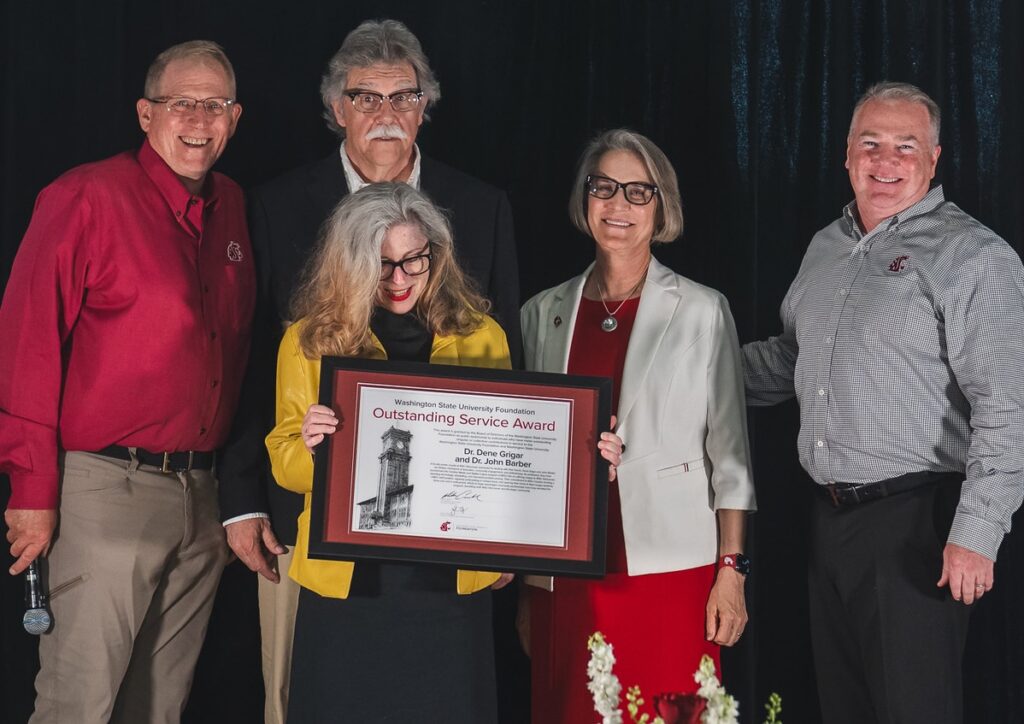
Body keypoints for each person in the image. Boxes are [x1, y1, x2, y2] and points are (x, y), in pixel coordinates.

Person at [215, 19, 521, 722]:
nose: (386, 114)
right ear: (337, 109)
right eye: (366, 97)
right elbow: (249, 359)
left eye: (403, 97)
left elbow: (513, 397)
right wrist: (244, 496)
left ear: (425, 107)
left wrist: (517, 528)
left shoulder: (483, 207)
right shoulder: (277, 205)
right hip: (316, 535)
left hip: (453, 547)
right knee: (300, 696)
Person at [742, 81, 1024, 724]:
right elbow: (792, 359)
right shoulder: (826, 246)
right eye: (871, 144)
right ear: (847, 154)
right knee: (845, 709)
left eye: (905, 146)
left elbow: (1007, 407)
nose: (885, 160)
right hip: (828, 522)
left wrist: (978, 533)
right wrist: (688, 371)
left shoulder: (973, 256)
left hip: (917, 527)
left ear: (935, 157)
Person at [0, 41, 251, 723]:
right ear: (146, 114)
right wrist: (31, 488)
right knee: (79, 706)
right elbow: (26, 342)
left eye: (215, 106)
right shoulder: (85, 196)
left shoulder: (230, 206)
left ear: (234, 118)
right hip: (105, 490)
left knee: (157, 710)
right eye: (181, 104)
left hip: (199, 497)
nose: (198, 119)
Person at [520, 129, 756, 723]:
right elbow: (524, 456)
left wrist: (732, 571)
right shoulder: (540, 313)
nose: (618, 205)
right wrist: (528, 580)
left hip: (671, 570)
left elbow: (730, 457)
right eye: (604, 187)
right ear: (585, 198)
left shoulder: (703, 310)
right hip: (567, 571)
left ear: (662, 206)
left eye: (637, 191)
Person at [264, 182, 514, 721]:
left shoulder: (483, 335)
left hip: (450, 585)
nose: (399, 280)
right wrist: (312, 448)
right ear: (351, 264)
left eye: (414, 262)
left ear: (435, 256)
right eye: (381, 265)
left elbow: (505, 455)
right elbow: (285, 464)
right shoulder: (309, 340)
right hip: (348, 588)